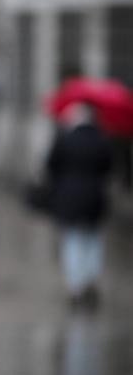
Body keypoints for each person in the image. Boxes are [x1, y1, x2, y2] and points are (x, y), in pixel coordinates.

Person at [45, 102, 113, 307]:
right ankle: (90, 280)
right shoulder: (102, 140)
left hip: (69, 197)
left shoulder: (65, 138)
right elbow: (108, 167)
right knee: (93, 240)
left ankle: (75, 285)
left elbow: (50, 165)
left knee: (73, 240)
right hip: (95, 197)